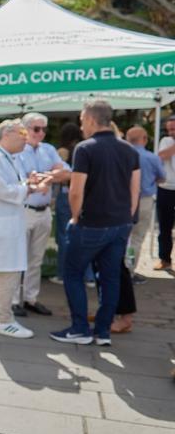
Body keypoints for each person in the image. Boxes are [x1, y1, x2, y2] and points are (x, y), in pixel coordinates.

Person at [50, 100, 140, 346]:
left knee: (72, 273)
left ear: (90, 119)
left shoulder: (85, 148)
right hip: (120, 223)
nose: (81, 126)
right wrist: (126, 217)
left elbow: (76, 191)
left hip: (92, 224)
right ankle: (103, 331)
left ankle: (80, 328)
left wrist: (76, 217)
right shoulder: (129, 149)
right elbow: (135, 190)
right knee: (110, 277)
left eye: (81, 121)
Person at [0, 119, 50, 339]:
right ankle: (4, 318)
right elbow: (2, 190)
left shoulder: (5, 158)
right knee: (8, 270)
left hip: (3, 223)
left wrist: (29, 182)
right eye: (23, 134)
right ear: (7, 134)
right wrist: (30, 187)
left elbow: (8, 185)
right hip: (0, 224)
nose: (26, 139)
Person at [11, 112, 70, 317]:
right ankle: (13, 300)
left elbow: (67, 172)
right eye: (36, 129)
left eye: (43, 129)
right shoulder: (18, 151)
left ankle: (30, 298)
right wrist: (50, 176)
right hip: (25, 210)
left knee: (36, 259)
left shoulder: (49, 149)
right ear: (26, 130)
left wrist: (44, 179)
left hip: (44, 211)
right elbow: (24, 179)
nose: (41, 133)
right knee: (18, 258)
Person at [125, 125, 166, 283]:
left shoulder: (122, 154)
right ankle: (129, 272)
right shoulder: (151, 157)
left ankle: (120, 270)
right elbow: (162, 177)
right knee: (137, 238)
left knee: (122, 237)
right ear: (144, 139)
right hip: (144, 201)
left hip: (123, 200)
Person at [51, 122, 85, 285]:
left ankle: (63, 274)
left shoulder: (62, 152)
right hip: (85, 195)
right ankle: (89, 276)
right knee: (85, 236)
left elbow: (58, 177)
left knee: (64, 236)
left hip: (65, 196)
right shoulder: (84, 148)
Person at [154, 115, 175, 270]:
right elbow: (161, 156)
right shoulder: (166, 141)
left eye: (173, 129)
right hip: (166, 189)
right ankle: (165, 259)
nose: (171, 132)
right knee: (165, 227)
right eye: (169, 129)